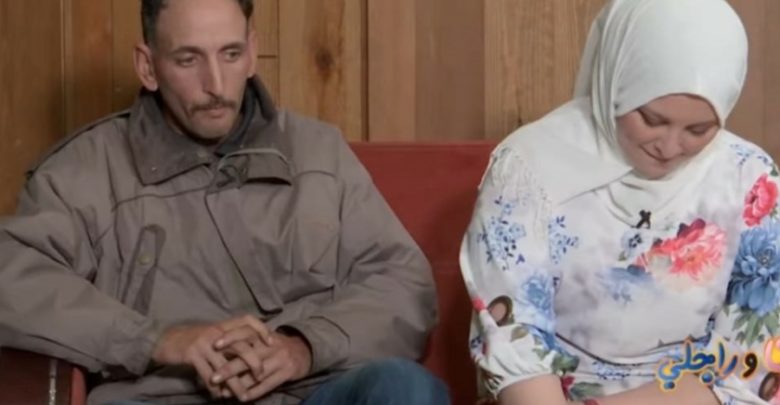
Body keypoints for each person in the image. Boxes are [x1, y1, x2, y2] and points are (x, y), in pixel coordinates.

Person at [0, 0, 449, 404]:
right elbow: (12, 280)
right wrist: (157, 340)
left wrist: (304, 347)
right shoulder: (84, 171)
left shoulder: (319, 152)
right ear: (148, 66)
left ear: (252, 52)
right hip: (160, 397)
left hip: (310, 391)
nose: (215, 84)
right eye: (188, 59)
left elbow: (403, 284)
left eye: (230, 54)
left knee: (405, 386)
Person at [461, 0, 779, 404]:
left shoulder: (749, 179)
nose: (669, 146)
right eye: (653, 120)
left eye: (698, 129)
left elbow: (753, 361)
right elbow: (513, 339)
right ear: (614, 83)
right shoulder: (526, 169)